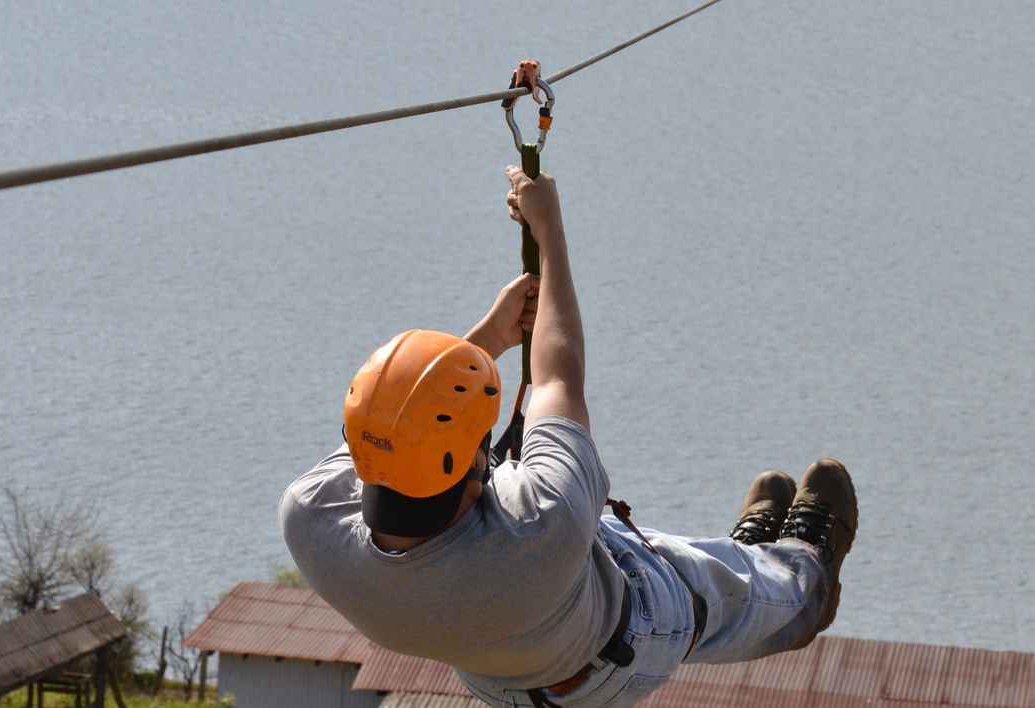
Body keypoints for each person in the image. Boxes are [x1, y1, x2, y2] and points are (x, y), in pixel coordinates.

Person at [279, 166, 858, 707]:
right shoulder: (538, 524)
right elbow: (558, 375)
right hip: (613, 652)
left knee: (594, 525)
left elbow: (408, 415)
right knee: (714, 592)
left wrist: (487, 340)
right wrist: (549, 229)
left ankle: (744, 553)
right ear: (474, 476)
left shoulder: (311, 515)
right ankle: (804, 573)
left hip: (505, 661)